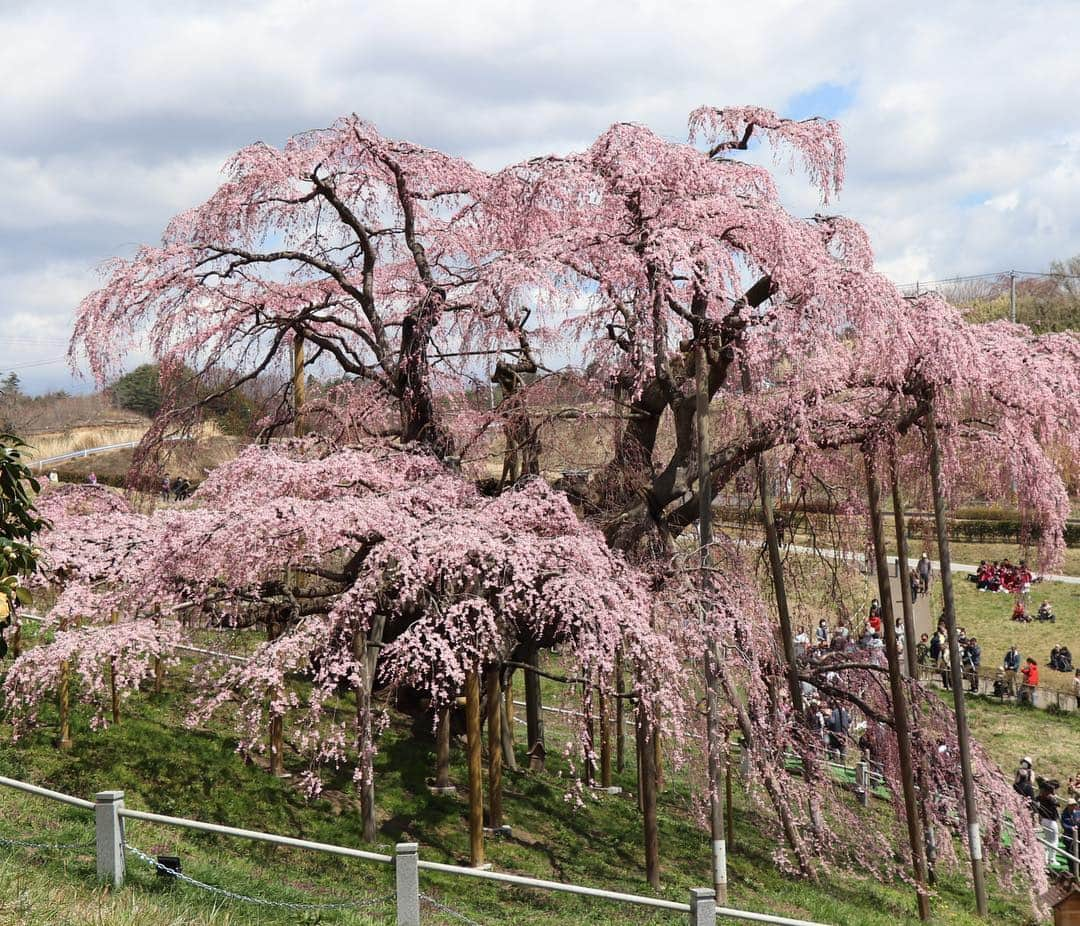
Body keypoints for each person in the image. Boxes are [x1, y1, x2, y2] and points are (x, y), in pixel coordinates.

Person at [1036, 780, 1060, 868]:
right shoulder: (1050, 798)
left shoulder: (1039, 797)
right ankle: (1052, 859)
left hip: (1043, 820)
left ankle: (1045, 858)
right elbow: (1058, 804)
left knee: (1046, 840)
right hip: (1051, 821)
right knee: (1054, 840)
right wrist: (1054, 796)